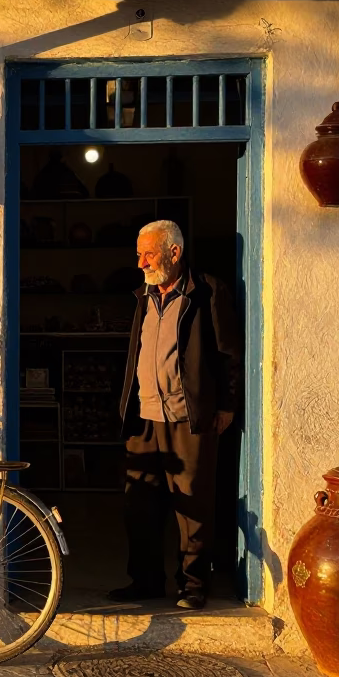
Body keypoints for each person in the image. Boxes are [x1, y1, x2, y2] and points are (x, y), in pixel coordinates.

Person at [107, 220, 241, 610]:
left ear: (174, 252)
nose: (141, 263)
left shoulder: (208, 292)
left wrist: (228, 405)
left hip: (188, 417)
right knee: (140, 505)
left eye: (148, 254)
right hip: (143, 418)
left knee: (193, 507)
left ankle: (193, 585)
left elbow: (229, 354)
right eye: (139, 255)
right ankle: (145, 580)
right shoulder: (142, 297)